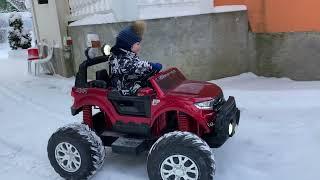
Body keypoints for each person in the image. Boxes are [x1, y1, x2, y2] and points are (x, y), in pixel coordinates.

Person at [110, 21, 162, 96]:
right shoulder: (118, 59)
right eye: (138, 44)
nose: (139, 47)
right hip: (123, 89)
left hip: (132, 82)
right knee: (146, 93)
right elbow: (133, 66)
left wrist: (149, 72)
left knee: (151, 86)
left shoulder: (129, 55)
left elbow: (137, 67)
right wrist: (149, 65)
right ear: (128, 45)